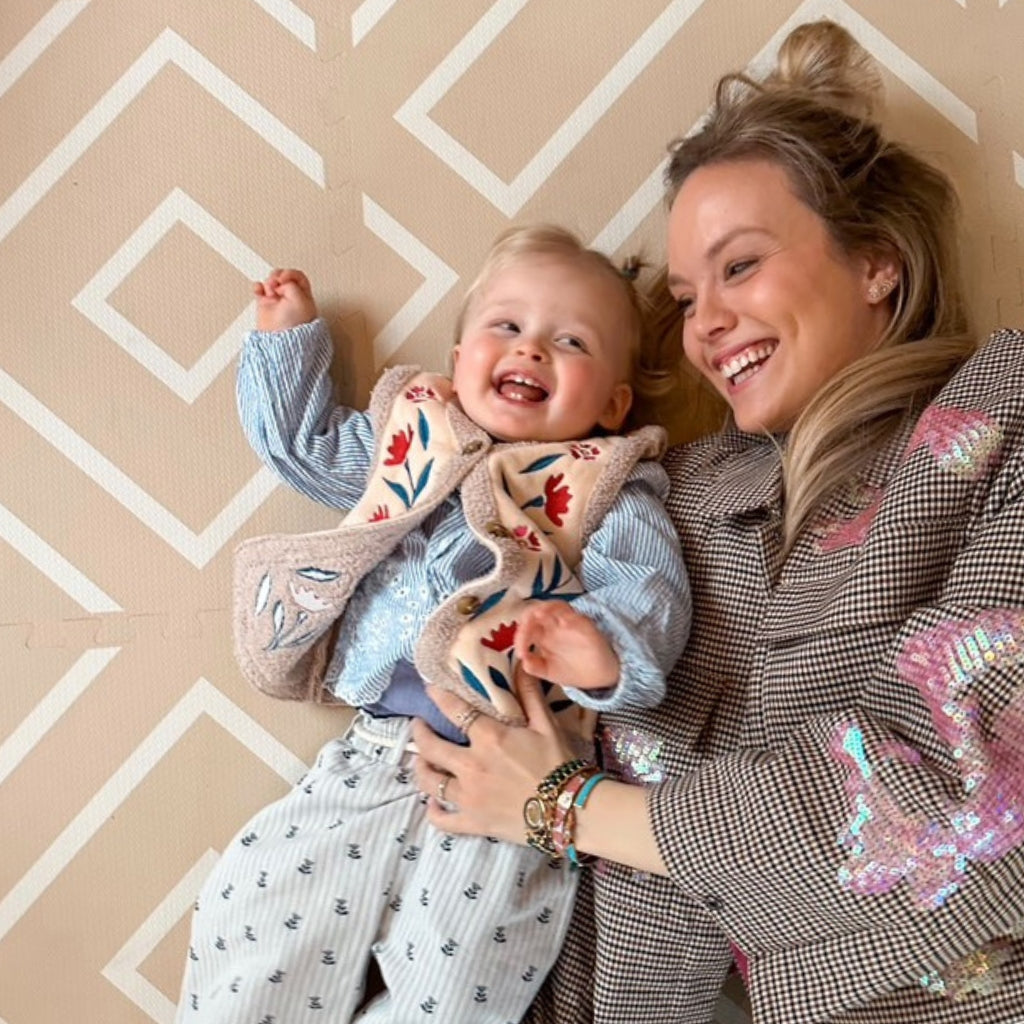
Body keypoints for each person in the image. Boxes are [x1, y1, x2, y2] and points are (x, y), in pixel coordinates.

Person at [411, 20, 1024, 1024]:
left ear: (875, 260)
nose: (704, 325)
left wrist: (567, 807)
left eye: (738, 268)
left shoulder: (1003, 425)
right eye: (688, 296)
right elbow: (567, 795)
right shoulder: (673, 495)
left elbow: (965, 793)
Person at [174, 225, 691, 1023]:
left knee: (458, 982)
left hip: (508, 772)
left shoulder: (610, 491)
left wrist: (602, 651)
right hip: (370, 754)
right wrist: (287, 342)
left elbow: (649, 594)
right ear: (458, 361)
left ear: (614, 404)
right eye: (508, 326)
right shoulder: (416, 446)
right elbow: (303, 448)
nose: (532, 350)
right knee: (256, 916)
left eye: (572, 340)